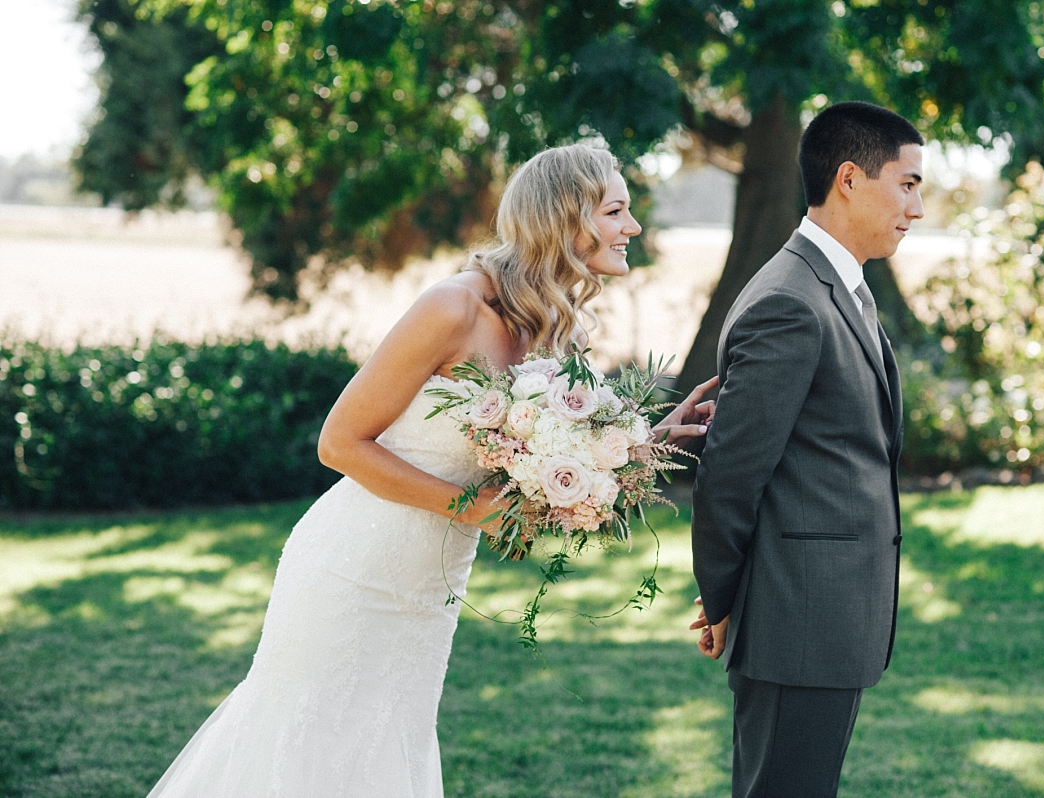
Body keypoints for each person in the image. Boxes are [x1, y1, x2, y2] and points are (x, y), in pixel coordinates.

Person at [146, 143, 715, 797]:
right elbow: (340, 443)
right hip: (352, 567)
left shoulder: (556, 333)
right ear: (566, 219)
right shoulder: (453, 307)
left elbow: (551, 463)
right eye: (617, 210)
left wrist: (645, 442)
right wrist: (465, 507)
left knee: (389, 747)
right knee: (307, 749)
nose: (633, 227)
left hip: (431, 585)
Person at [689, 101, 924, 798]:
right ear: (849, 179)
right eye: (906, 184)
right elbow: (730, 473)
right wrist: (723, 596)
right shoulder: (789, 300)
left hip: (827, 619)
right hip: (797, 621)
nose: (916, 206)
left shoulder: (841, 287)